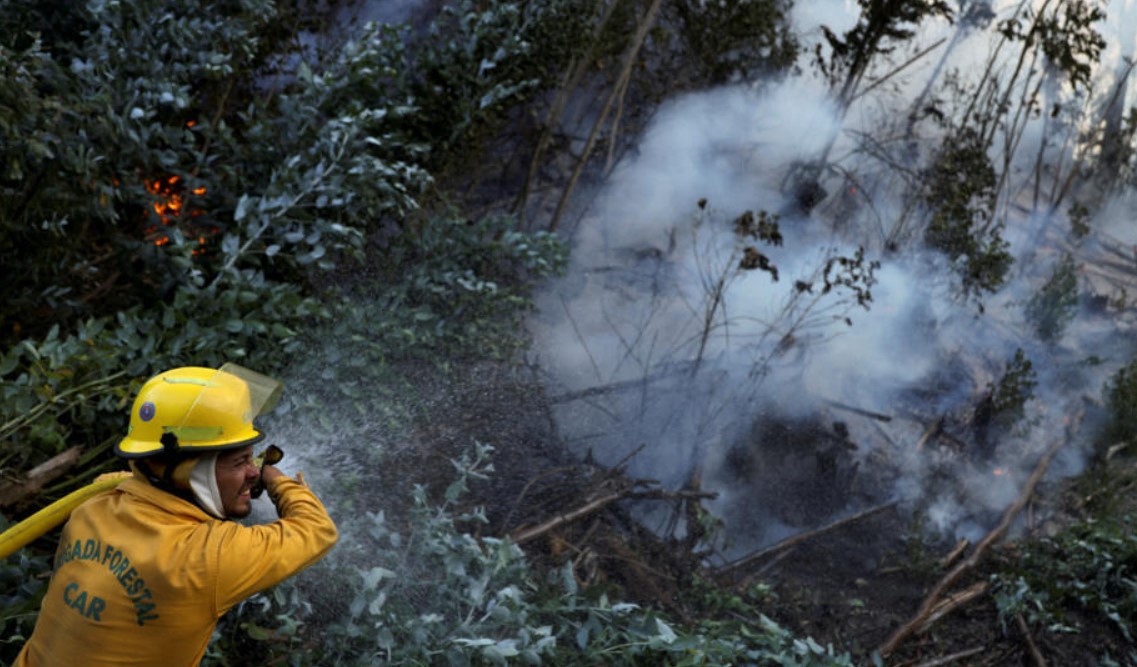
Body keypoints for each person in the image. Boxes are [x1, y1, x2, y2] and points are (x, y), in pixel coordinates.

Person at [14, 364, 338, 667]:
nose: (254, 472)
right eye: (240, 462)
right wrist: (277, 480)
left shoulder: (96, 504)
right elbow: (317, 529)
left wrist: (240, 470)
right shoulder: (204, 557)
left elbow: (127, 478)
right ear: (190, 472)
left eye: (253, 460)